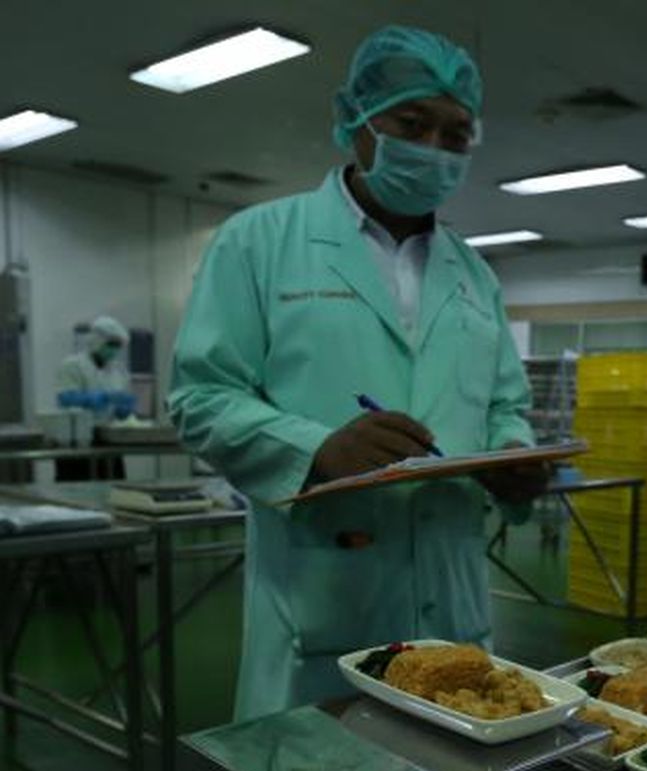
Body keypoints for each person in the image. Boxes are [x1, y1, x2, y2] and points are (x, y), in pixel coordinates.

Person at [168, 26, 547, 721]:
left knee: (447, 770)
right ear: (357, 120)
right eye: (413, 123)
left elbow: (503, 405)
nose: (433, 148)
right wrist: (313, 448)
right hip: (322, 596)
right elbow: (200, 396)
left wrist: (514, 454)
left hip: (453, 594)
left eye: (456, 134)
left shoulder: (474, 275)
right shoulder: (260, 242)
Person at [55, 315, 136, 480]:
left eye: (118, 346)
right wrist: (92, 398)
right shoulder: (73, 365)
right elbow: (64, 398)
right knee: (78, 493)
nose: (114, 349)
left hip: (109, 441)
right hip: (78, 442)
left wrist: (124, 409)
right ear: (97, 340)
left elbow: (121, 400)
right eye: (111, 344)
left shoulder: (118, 370)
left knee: (113, 488)